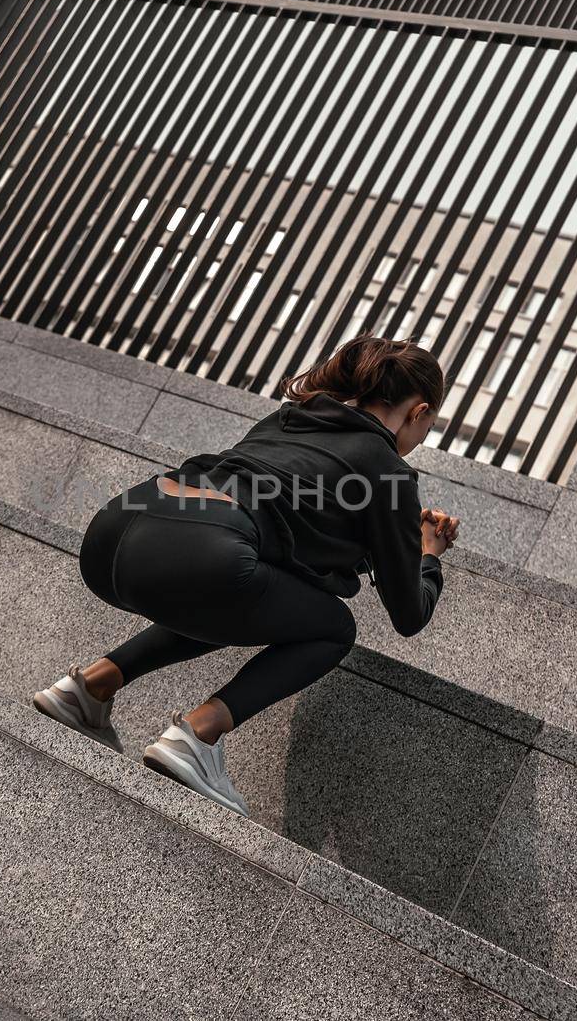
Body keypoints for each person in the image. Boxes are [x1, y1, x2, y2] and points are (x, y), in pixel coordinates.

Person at [33, 335, 459, 815]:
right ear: (419, 412)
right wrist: (427, 553)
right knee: (333, 627)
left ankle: (90, 686)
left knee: (248, 588)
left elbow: (292, 527)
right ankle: (198, 735)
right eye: (429, 425)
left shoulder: (288, 419)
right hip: (209, 550)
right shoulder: (390, 473)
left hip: (115, 530)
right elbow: (408, 613)